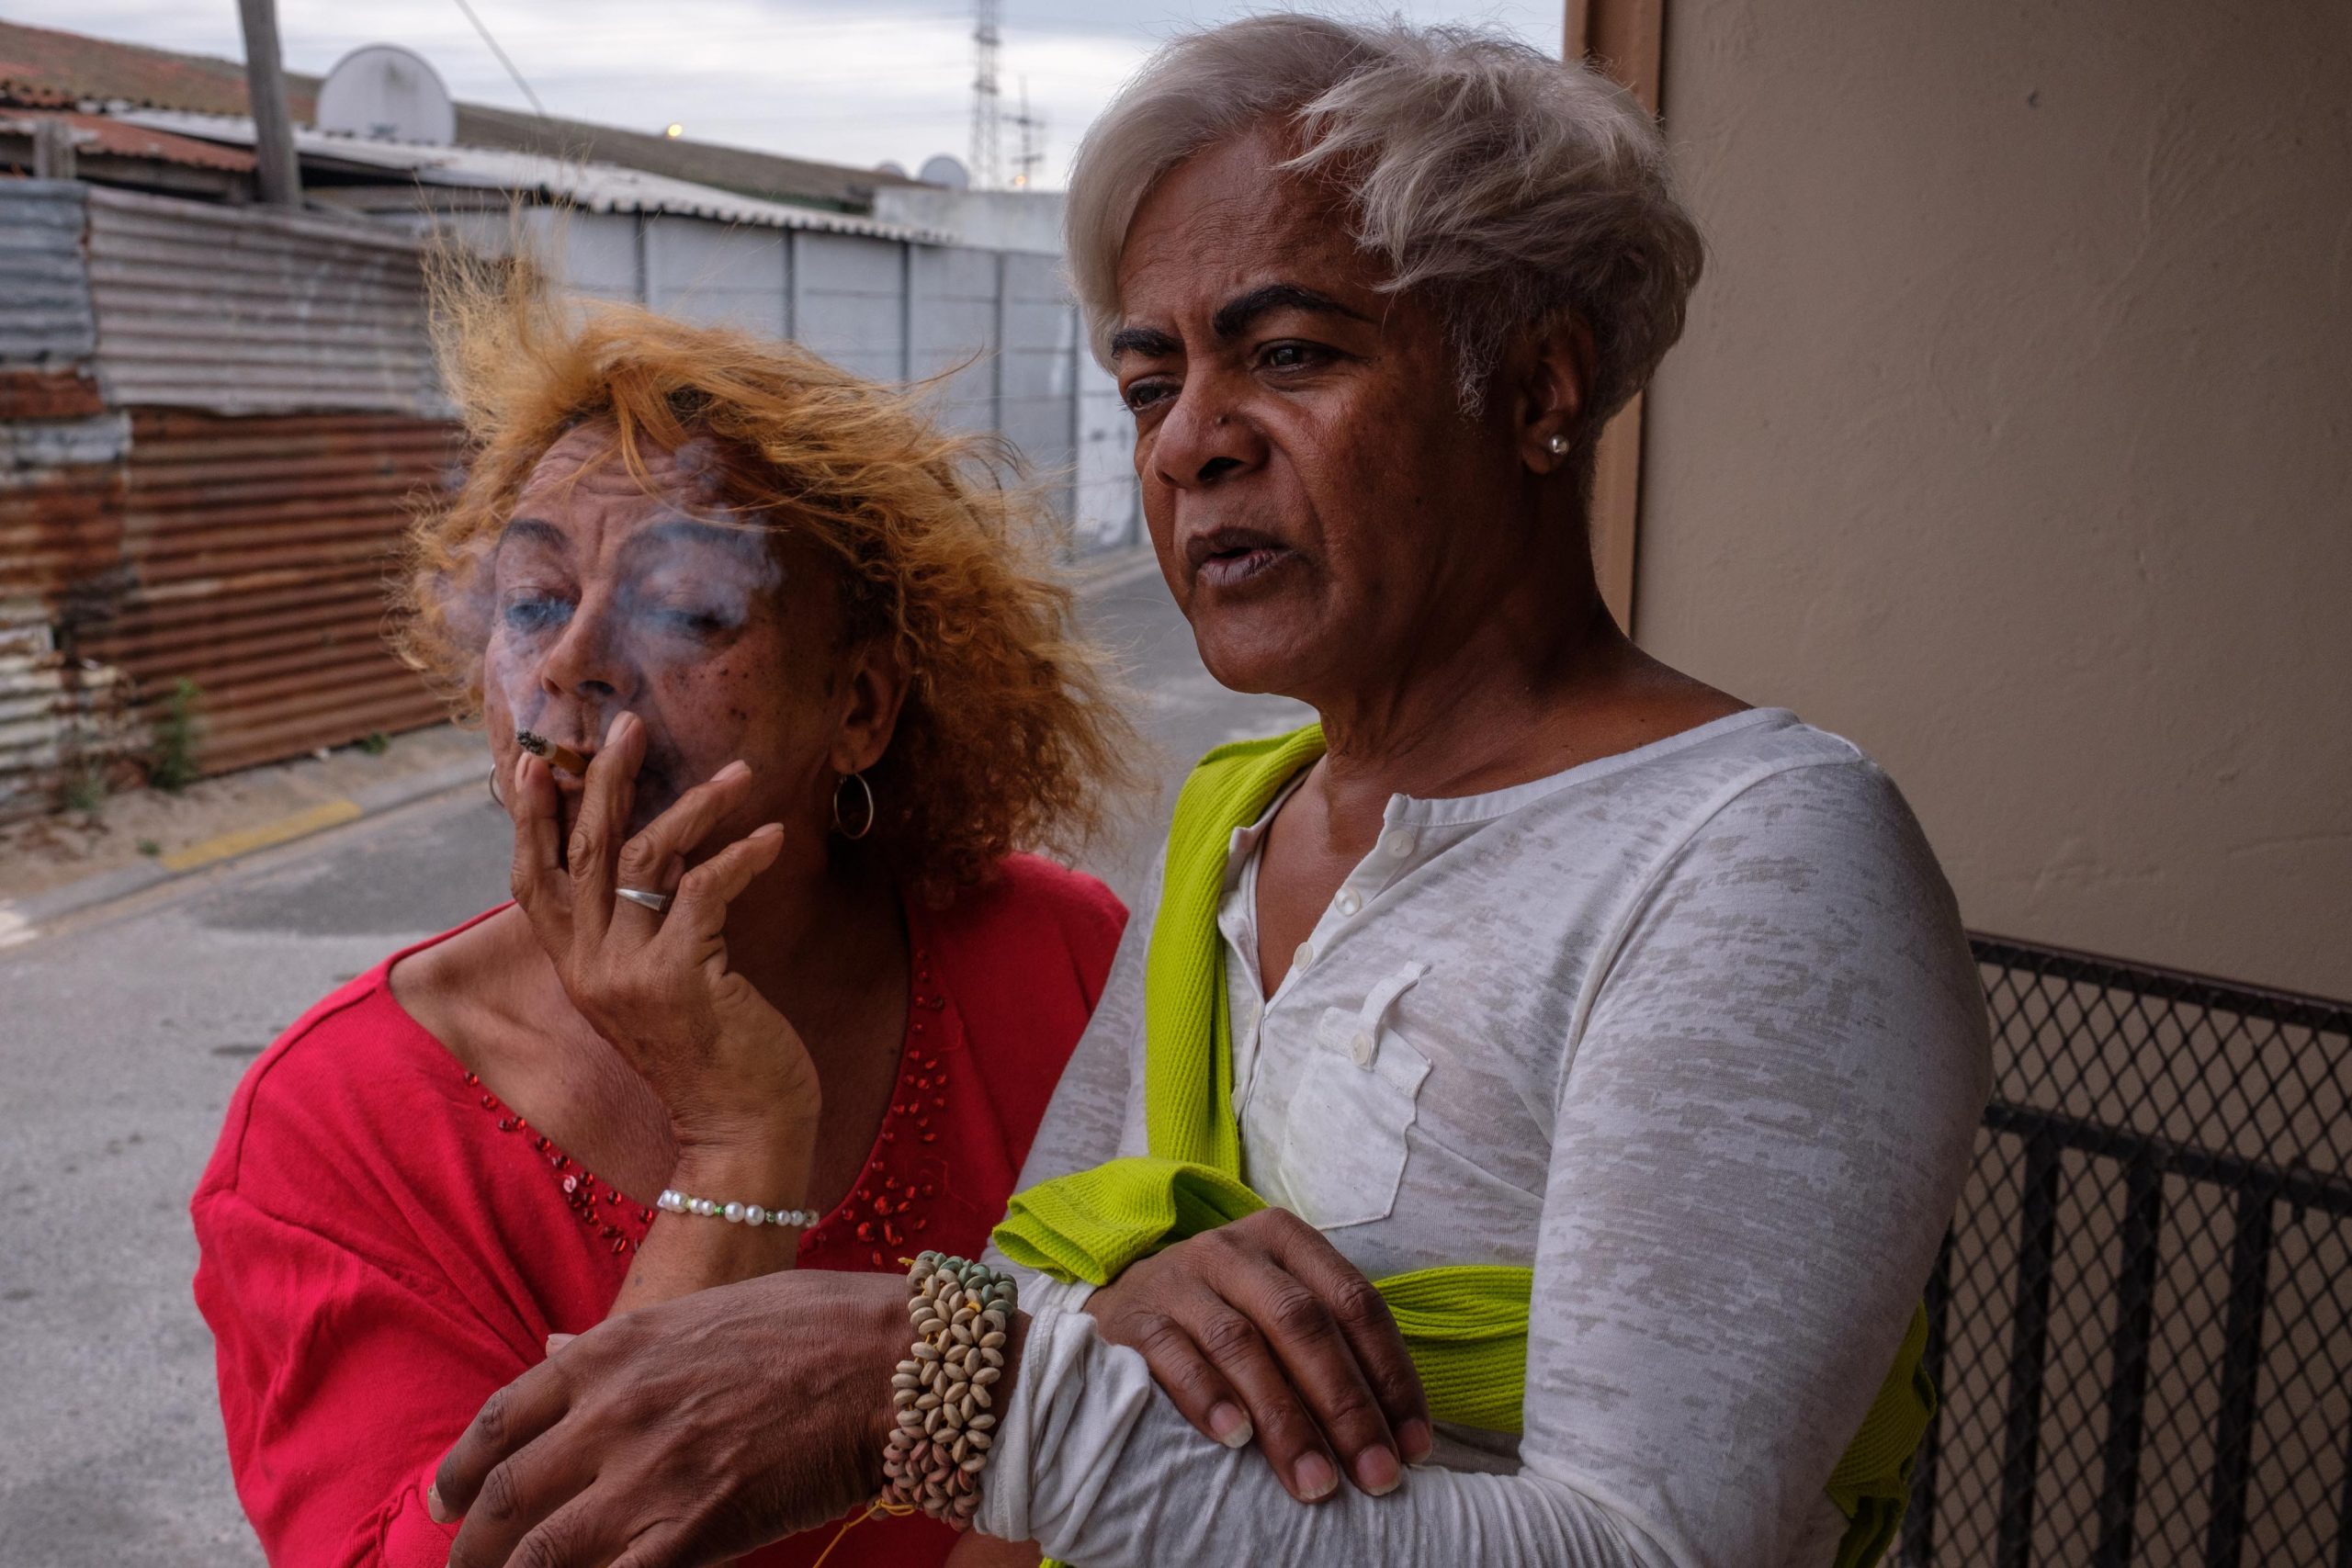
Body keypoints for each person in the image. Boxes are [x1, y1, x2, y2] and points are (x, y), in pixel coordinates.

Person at [424, 17, 1994, 1568]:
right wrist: (1081, 1331)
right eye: (1149, 380)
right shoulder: (1239, 824)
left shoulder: (1753, 859)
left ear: (1535, 394)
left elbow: (1642, 1551)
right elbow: (1049, 1285)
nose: (1189, 446)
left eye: (1289, 354)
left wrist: (935, 1394)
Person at [189, 264, 1137, 1568]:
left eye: (687, 606)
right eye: (531, 600)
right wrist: (742, 1142)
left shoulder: (1055, 961)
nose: (572, 658)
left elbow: (1167, 1412)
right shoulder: (335, 1128)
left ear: (860, 707)